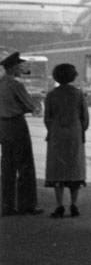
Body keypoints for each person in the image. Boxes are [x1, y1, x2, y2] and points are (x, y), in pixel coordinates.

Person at [0, 52, 43, 216]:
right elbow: (31, 106)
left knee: (7, 166)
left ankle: (7, 205)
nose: (21, 68)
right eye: (19, 65)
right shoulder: (16, 85)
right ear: (13, 67)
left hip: (2, 126)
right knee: (25, 165)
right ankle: (27, 204)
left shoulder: (1, 83)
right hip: (17, 125)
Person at [44, 63, 89, 218]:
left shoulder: (51, 95)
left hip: (56, 135)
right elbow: (85, 118)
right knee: (74, 169)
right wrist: (80, 130)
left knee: (58, 171)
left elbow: (47, 117)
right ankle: (74, 204)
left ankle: (59, 205)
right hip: (75, 135)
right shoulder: (78, 94)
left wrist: (53, 130)